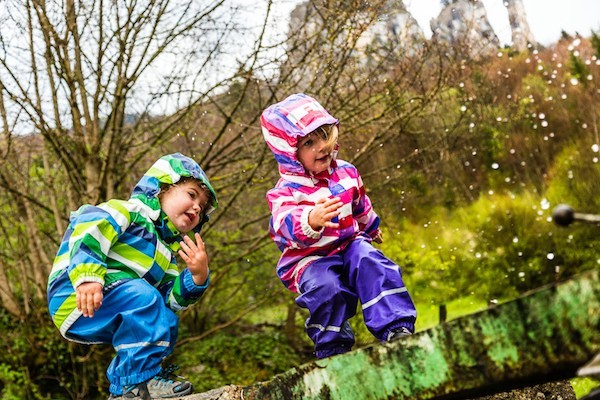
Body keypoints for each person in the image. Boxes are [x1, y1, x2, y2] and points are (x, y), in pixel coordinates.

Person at [47, 153, 218, 399]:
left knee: (166, 318)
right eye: (192, 195)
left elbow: (169, 301)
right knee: (144, 297)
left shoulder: (166, 254)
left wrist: (197, 277)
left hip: (111, 303)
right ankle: (139, 379)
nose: (196, 208)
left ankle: (130, 388)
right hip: (73, 292)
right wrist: (87, 277)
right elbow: (88, 227)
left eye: (201, 208)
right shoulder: (128, 212)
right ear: (162, 188)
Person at [261, 93, 417, 359]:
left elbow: (360, 204)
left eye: (324, 137)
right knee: (327, 289)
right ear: (290, 154)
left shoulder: (347, 172)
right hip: (309, 259)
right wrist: (310, 220)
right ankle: (332, 347)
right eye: (309, 142)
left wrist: (371, 227)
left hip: (348, 243)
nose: (321, 146)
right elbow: (282, 226)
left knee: (372, 262)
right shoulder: (285, 191)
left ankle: (396, 327)